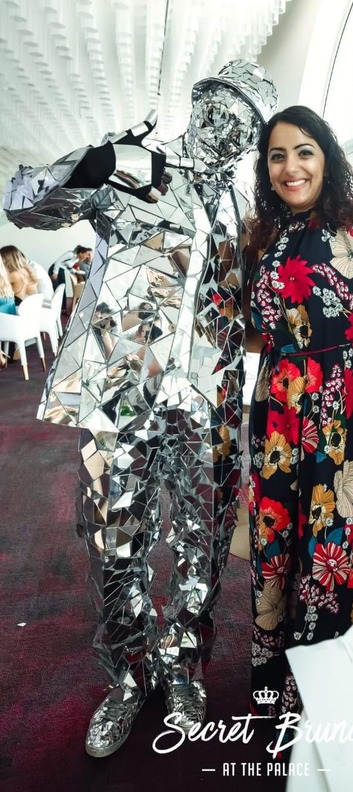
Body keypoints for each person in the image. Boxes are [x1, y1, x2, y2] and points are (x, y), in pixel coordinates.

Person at [3, 60, 278, 757]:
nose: (228, 130)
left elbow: (252, 300)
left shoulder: (246, 207)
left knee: (205, 548)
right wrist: (93, 161)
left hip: (207, 405)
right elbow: (22, 204)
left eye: (245, 126)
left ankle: (182, 667)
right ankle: (128, 677)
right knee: (113, 546)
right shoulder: (135, 168)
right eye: (220, 110)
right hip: (120, 395)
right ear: (198, 102)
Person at [245, 105, 353, 716]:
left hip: (347, 401)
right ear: (266, 169)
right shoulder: (262, 234)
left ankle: (320, 683)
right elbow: (258, 332)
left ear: (327, 156)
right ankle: (272, 673)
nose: (290, 167)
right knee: (274, 536)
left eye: (304, 151)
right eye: (277, 156)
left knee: (335, 541)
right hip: (277, 405)